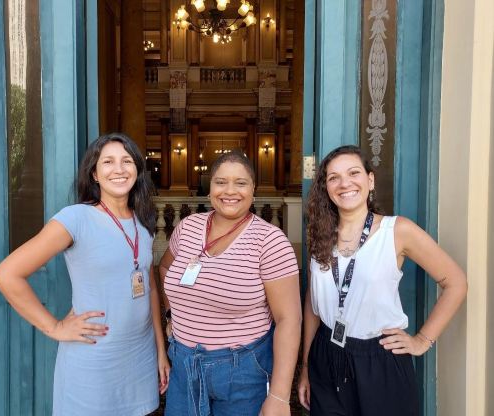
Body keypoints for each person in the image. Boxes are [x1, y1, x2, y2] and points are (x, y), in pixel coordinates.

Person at [0, 133, 170, 416]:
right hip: (93, 362)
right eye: (108, 162)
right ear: (95, 174)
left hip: (140, 360)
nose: (119, 169)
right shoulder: (75, 218)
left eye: (127, 161)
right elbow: (6, 275)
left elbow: (148, 287)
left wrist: (160, 350)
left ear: (138, 169)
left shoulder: (142, 221)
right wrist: (55, 328)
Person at [297, 145, 467, 416]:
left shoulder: (397, 230)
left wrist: (422, 339)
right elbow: (313, 303)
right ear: (326, 187)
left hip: (379, 361)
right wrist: (306, 366)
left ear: (370, 180)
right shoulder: (320, 234)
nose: (345, 184)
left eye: (354, 173)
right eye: (333, 178)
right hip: (326, 355)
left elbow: (456, 282)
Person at [159, 150, 302, 416]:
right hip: (183, 365)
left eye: (241, 182)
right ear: (209, 187)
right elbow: (165, 266)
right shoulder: (188, 227)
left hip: (241, 371)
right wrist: (170, 315)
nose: (230, 191)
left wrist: (280, 396)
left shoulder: (270, 240)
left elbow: (289, 320)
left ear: (253, 189)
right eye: (221, 182)